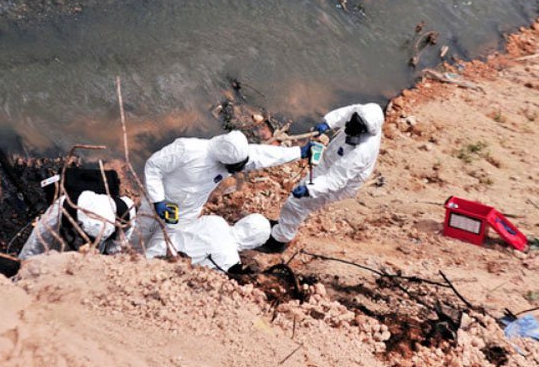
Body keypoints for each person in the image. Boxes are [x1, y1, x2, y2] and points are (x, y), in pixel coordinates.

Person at [132, 130, 313, 252]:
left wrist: (299, 152)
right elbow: (154, 166)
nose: (234, 171)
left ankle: (146, 265)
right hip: (158, 201)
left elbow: (264, 156)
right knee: (139, 233)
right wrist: (158, 200)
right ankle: (118, 256)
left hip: (186, 213)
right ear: (221, 157)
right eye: (232, 168)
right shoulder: (187, 149)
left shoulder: (234, 158)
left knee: (167, 244)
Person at [262, 103, 384, 252]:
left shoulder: (360, 152)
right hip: (329, 164)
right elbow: (348, 111)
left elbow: (335, 180)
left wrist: (309, 189)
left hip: (339, 185)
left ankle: (279, 240)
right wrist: (329, 122)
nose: (349, 126)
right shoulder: (364, 113)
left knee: (297, 203)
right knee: (297, 203)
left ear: (363, 131)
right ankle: (282, 228)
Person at [143, 213, 271, 272]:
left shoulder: (215, 220)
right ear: (254, 244)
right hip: (165, 275)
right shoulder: (231, 261)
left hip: (152, 252)